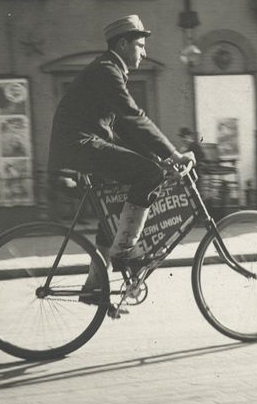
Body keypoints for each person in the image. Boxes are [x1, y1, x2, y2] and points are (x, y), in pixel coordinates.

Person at [48, 15, 195, 294]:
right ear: (123, 44)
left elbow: (124, 129)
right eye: (140, 45)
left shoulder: (109, 70)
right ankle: (125, 251)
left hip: (82, 145)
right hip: (80, 146)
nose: (144, 53)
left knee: (112, 213)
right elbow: (132, 117)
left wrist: (159, 157)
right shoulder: (106, 70)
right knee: (149, 175)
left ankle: (95, 287)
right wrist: (174, 155)